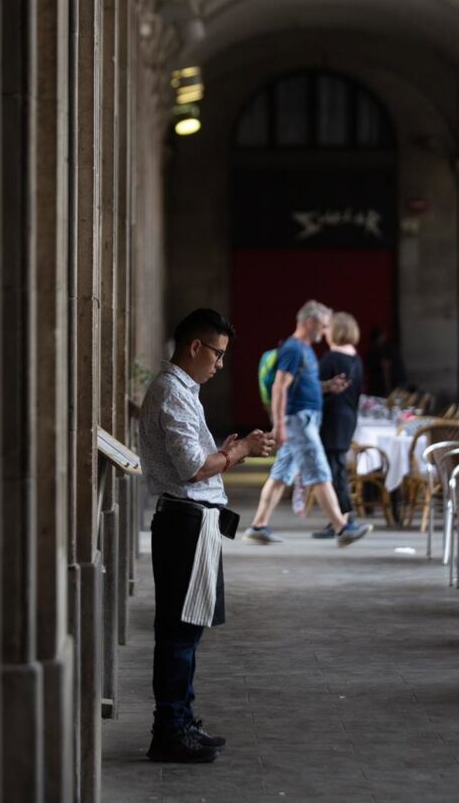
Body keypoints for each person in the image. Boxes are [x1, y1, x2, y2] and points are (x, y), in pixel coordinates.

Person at [137, 308, 275, 763]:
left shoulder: (183, 391)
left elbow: (198, 458)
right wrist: (239, 451)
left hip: (194, 520)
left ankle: (182, 718)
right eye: (216, 354)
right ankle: (170, 729)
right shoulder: (171, 393)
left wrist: (228, 451)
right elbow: (192, 467)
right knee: (179, 631)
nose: (219, 364)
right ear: (194, 346)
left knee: (189, 628)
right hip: (184, 521)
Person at [244, 300, 372, 546]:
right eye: (323, 326)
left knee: (281, 474)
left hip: (303, 419)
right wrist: (279, 425)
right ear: (310, 322)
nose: (325, 332)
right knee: (320, 472)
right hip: (298, 421)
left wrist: (327, 386)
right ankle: (341, 528)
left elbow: (302, 385)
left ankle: (258, 526)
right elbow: (280, 386)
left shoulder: (305, 350)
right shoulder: (293, 349)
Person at [315, 312, 364, 538]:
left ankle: (342, 518)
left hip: (333, 418)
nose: (324, 332)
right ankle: (342, 517)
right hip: (349, 417)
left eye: (328, 328)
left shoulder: (331, 359)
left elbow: (314, 390)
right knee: (338, 467)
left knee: (334, 470)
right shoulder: (356, 358)